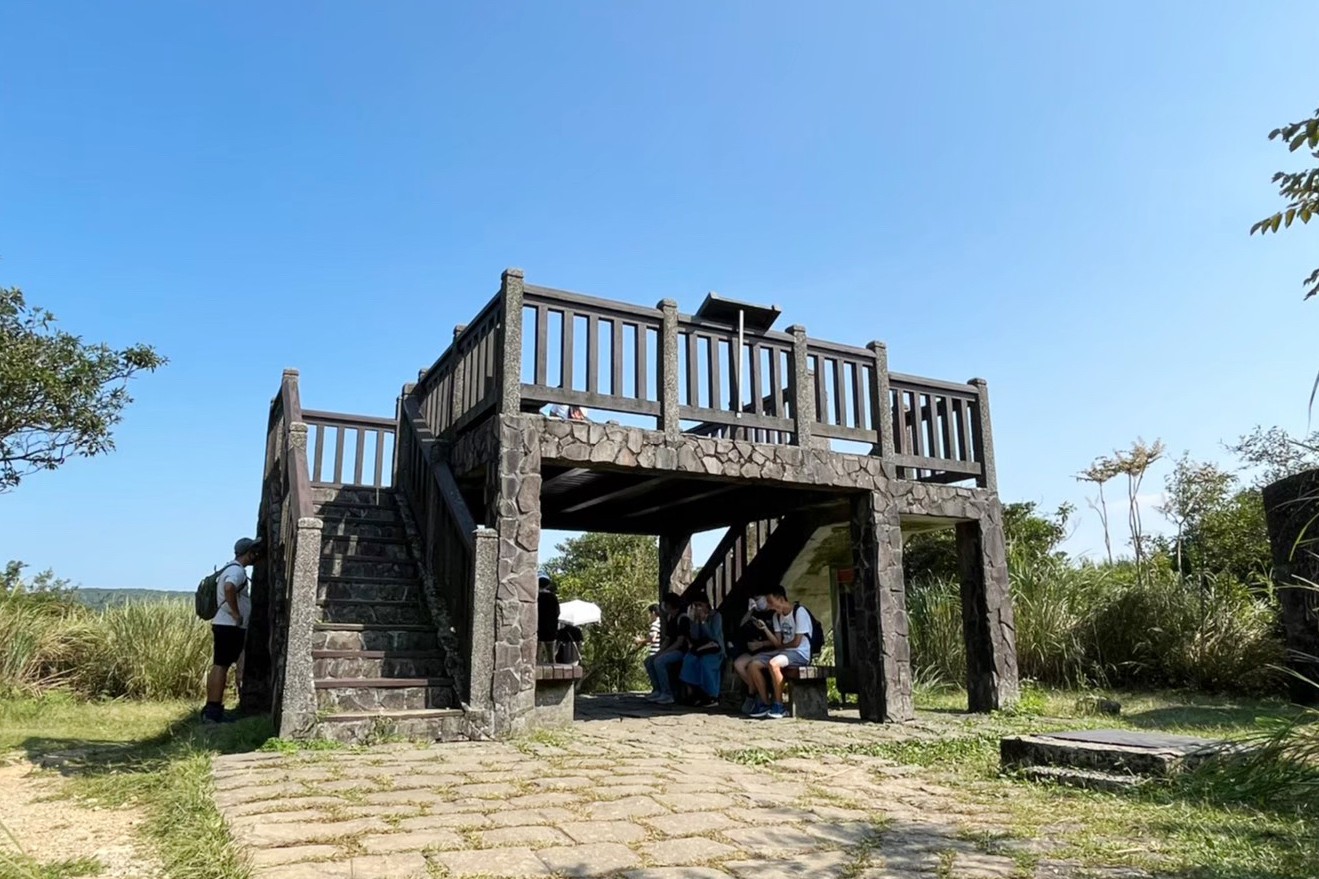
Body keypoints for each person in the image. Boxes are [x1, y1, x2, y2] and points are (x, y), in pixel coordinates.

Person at [202, 537, 261, 724]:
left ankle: (212, 708)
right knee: (222, 665)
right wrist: (236, 613)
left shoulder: (230, 568)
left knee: (220, 664)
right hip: (230, 626)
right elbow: (229, 588)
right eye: (254, 551)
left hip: (224, 625)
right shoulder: (237, 571)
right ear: (248, 553)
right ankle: (213, 711)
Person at [733, 584, 812, 720]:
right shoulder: (777, 617)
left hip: (799, 653)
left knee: (773, 663)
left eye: (772, 603)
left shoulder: (799, 612)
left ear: (781, 599)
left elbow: (796, 642)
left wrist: (782, 647)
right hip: (784, 652)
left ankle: (779, 704)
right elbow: (777, 643)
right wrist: (765, 629)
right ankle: (765, 703)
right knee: (753, 664)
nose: (770, 607)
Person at [679, 595, 724, 706]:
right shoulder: (695, 617)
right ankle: (693, 693)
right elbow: (695, 636)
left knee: (705, 663)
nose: (698, 608)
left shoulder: (716, 616)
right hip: (700, 648)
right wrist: (695, 622)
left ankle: (712, 695)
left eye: (700, 605)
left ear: (706, 605)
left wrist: (704, 623)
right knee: (688, 660)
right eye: (695, 605)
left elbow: (713, 635)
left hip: (714, 649)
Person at [643, 594, 687, 704]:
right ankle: (657, 690)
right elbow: (667, 639)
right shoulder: (670, 618)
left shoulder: (682, 618)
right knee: (649, 660)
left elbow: (680, 642)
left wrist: (664, 653)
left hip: (681, 651)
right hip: (671, 649)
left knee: (659, 661)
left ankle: (667, 693)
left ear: (670, 605)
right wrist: (659, 651)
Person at [537, 571, 560, 663]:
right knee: (551, 655)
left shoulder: (536, 597)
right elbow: (557, 612)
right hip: (551, 630)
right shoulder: (553, 597)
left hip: (538, 629)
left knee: (536, 657)